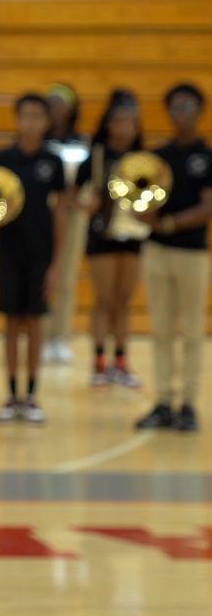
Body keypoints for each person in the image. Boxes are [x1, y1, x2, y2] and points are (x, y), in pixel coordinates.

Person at [134, 83, 212, 433]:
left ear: (199, 111)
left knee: (192, 331)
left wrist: (168, 222)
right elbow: (138, 198)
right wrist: (140, 214)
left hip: (192, 254)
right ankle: (164, 401)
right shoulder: (156, 157)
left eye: (188, 106)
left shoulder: (206, 157)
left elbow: (207, 208)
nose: (181, 113)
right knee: (161, 330)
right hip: (156, 251)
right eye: (175, 107)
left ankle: (189, 404)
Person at [0, 93, 66, 425]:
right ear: (16, 120)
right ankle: (11, 395)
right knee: (10, 322)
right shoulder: (1, 158)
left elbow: (60, 213)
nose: (30, 122)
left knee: (34, 323)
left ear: (47, 122)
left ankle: (32, 396)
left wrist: (55, 264)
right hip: (7, 251)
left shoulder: (54, 162)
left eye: (37, 116)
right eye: (25, 115)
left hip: (40, 254)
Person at [73, 90, 144, 388]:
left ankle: (122, 361)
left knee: (123, 301)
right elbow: (77, 194)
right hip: (101, 235)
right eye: (119, 122)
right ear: (108, 124)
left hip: (133, 236)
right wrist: (86, 203)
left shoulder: (143, 160)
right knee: (103, 299)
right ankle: (100, 363)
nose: (124, 128)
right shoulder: (94, 158)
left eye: (131, 123)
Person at [42, 81, 88, 364]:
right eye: (52, 104)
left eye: (61, 104)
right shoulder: (40, 141)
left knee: (68, 276)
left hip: (73, 215)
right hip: (43, 215)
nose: (56, 110)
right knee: (47, 275)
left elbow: (90, 181)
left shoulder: (82, 141)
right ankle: (45, 335)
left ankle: (62, 336)